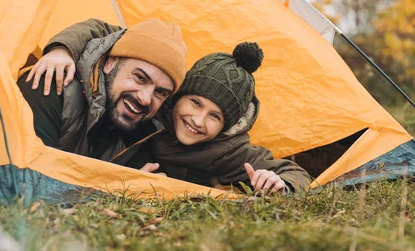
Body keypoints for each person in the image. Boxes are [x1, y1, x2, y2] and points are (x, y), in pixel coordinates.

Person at [26, 20, 312, 193]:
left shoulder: (148, 122)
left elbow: (294, 174)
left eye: (216, 116)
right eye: (195, 103)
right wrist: (62, 48)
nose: (145, 97)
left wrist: (278, 185)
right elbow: (107, 34)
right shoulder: (152, 118)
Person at [18, 19, 187, 169]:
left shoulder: (145, 131)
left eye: (160, 92)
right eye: (140, 78)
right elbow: (29, 181)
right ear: (110, 63)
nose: (144, 99)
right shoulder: (50, 86)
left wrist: (133, 189)